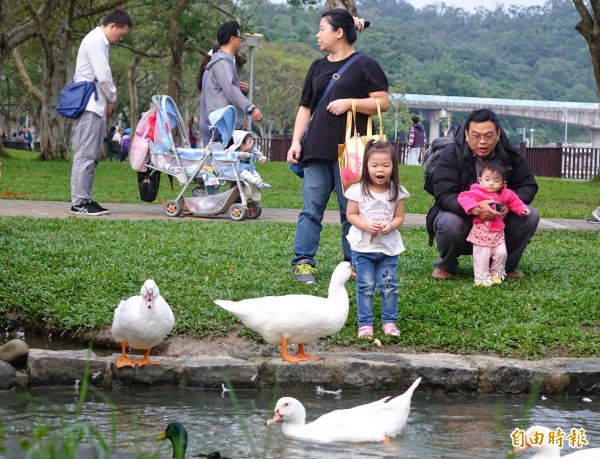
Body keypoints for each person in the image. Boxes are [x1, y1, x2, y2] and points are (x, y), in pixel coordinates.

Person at [287, 9, 389, 284]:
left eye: (322, 29)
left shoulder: (365, 64)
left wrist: (351, 103)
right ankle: (304, 262)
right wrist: (296, 142)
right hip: (316, 150)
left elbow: (382, 102)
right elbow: (305, 107)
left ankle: (353, 262)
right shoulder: (318, 67)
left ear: (339, 32)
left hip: (352, 153)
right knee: (311, 210)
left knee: (351, 211)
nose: (317, 35)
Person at [429, 108, 539, 280]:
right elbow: (444, 195)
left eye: (488, 136)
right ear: (466, 134)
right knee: (448, 222)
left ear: (498, 134)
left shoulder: (510, 155)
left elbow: (528, 185)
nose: (482, 142)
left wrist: (509, 204)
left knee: (530, 215)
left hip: (498, 220)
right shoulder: (450, 154)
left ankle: (505, 266)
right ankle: (447, 264)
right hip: (463, 216)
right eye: (475, 136)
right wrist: (475, 208)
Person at [70, 8, 132, 215]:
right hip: (89, 104)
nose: (120, 38)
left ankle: (85, 198)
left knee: (91, 154)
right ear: (112, 25)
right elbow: (103, 75)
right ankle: (79, 202)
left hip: (94, 104)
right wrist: (112, 97)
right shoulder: (96, 40)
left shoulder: (99, 40)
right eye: (120, 34)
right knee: (85, 153)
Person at [345, 140, 409, 338]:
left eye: (386, 165)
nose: (380, 169)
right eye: (374, 165)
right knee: (365, 286)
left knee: (389, 286)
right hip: (364, 249)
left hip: (388, 249)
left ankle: (389, 322)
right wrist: (365, 225)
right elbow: (351, 215)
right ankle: (365, 324)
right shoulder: (358, 190)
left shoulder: (396, 191)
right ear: (366, 166)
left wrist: (391, 225)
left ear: (393, 167)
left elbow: (399, 217)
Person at [457, 161, 531, 286]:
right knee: (482, 257)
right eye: (487, 179)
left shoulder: (505, 193)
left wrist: (521, 209)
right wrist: (472, 206)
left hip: (498, 232)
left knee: (502, 253)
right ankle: (481, 278)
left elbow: (514, 200)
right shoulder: (477, 191)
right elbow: (463, 197)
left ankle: (495, 273)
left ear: (503, 183)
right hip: (482, 231)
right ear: (480, 180)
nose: (491, 183)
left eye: (496, 181)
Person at [199, 21, 262, 147]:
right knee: (223, 164)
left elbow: (228, 88)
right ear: (232, 39)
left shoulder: (224, 61)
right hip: (221, 125)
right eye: (240, 37)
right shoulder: (221, 62)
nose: (241, 41)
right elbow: (230, 89)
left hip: (224, 124)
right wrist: (251, 109)